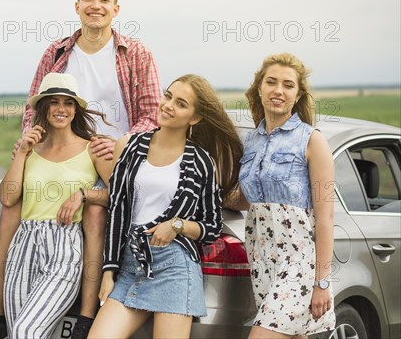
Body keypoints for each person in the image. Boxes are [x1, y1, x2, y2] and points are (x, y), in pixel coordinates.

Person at [0, 0, 162, 339]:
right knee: (13, 201)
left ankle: (87, 315)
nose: (96, 6)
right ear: (77, 6)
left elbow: (151, 113)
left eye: (104, 0)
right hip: (60, 150)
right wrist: (31, 141)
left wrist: (122, 141)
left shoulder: (135, 53)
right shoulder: (58, 51)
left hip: (112, 160)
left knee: (93, 210)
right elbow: (35, 103)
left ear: (116, 8)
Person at [88, 74, 243, 338]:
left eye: (181, 103)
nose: (168, 105)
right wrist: (109, 271)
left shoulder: (202, 162)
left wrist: (178, 225)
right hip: (130, 264)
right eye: (168, 96)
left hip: (175, 269)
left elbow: (212, 225)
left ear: (194, 118)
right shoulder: (130, 145)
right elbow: (118, 209)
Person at [227, 53, 336, 338]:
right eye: (271, 82)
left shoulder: (312, 139)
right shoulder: (251, 141)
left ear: (298, 94)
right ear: (259, 88)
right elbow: (251, 199)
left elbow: (325, 218)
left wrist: (321, 282)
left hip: (299, 264)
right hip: (262, 260)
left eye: (288, 85)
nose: (278, 90)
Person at [0, 73, 113, 338]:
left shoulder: (91, 149)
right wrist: (23, 153)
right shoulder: (30, 150)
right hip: (23, 245)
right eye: (54, 102)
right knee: (17, 330)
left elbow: (119, 195)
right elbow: (7, 197)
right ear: (43, 107)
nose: (62, 109)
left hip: (63, 245)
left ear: (75, 109)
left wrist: (85, 194)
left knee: (26, 331)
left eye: (68, 103)